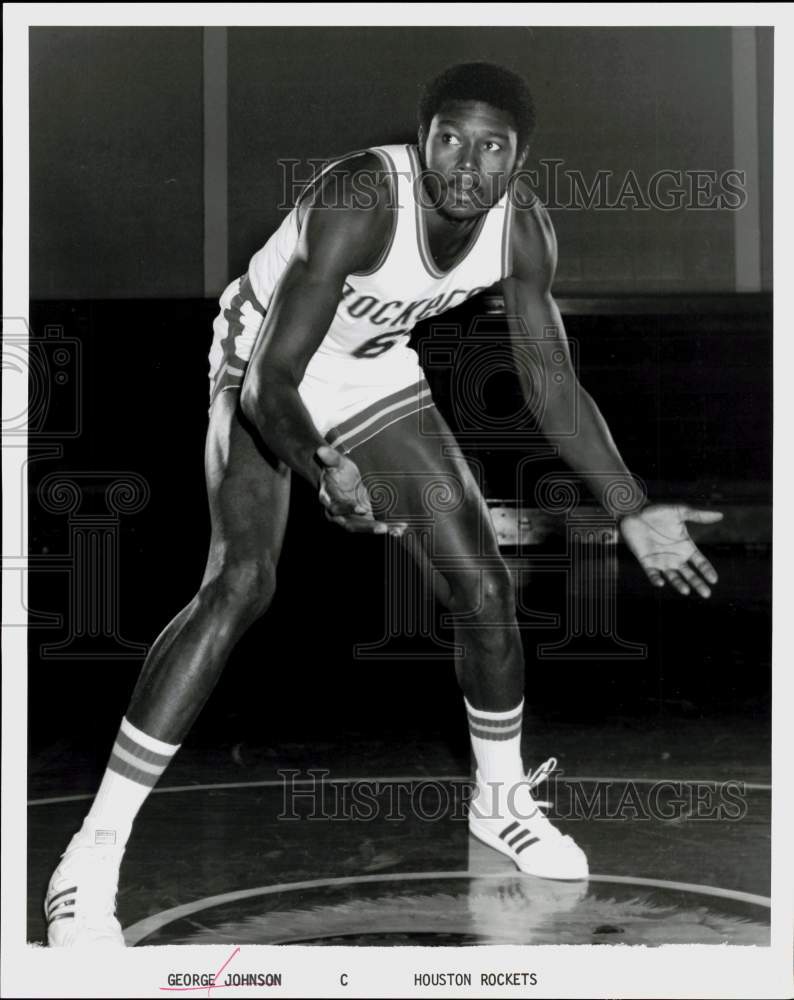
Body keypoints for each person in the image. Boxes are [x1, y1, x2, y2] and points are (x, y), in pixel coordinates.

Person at [45, 61, 722, 946]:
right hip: (260, 363)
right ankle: (90, 857)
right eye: (449, 137)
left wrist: (629, 507)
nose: (466, 163)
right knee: (243, 581)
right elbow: (272, 383)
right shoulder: (363, 196)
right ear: (422, 135)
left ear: (521, 160)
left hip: (369, 372)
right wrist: (327, 470)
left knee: (484, 589)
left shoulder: (523, 233)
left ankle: (499, 803)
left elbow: (553, 389)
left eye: (492, 147)